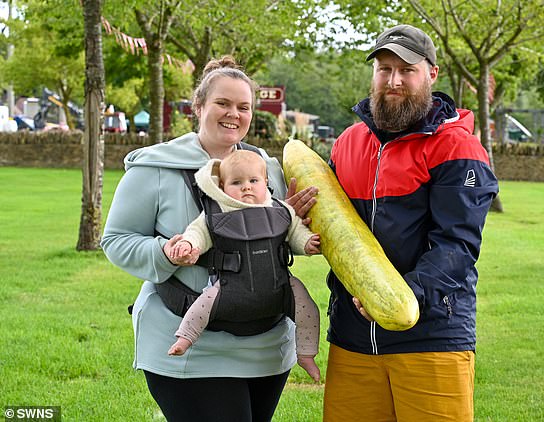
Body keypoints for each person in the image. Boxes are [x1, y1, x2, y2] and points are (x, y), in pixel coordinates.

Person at [101, 56, 318, 422]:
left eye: (244, 106)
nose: (234, 114)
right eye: (223, 103)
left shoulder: (269, 170)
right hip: (189, 347)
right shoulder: (155, 168)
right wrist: (165, 253)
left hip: (267, 347)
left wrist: (294, 225)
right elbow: (116, 240)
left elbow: (276, 242)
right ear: (198, 106)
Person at [322, 24, 499, 422]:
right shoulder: (347, 143)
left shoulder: (457, 147)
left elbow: (457, 246)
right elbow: (332, 230)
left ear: (431, 74)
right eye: (384, 69)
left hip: (431, 336)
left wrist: (399, 299)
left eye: (407, 70)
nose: (394, 80)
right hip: (352, 339)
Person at [164, 150, 321, 382]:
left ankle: (307, 354)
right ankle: (184, 339)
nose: (246, 187)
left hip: (280, 285)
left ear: (266, 182)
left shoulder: (280, 209)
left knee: (308, 309)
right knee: (201, 306)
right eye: (236, 182)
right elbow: (197, 232)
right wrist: (188, 244)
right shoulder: (216, 212)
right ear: (222, 186)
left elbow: (295, 231)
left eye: (253, 181)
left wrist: (307, 243)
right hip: (229, 286)